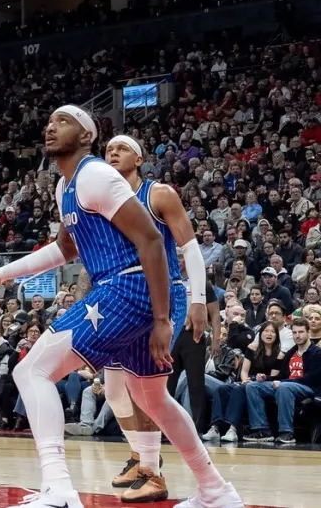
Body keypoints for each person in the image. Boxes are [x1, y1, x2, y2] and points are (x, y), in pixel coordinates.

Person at [0, 106, 242, 508]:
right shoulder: (65, 188)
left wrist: (164, 318)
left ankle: (59, 489)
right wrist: (2, 273)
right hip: (133, 289)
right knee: (151, 399)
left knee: (32, 370)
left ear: (85, 137)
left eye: (63, 122)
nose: (50, 126)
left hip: (130, 286)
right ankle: (217, 490)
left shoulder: (95, 175)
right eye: (49, 121)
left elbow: (151, 240)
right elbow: (64, 249)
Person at [97, 135, 216, 502]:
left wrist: (199, 301)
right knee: (115, 391)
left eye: (121, 148)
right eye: (108, 150)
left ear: (139, 157)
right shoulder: (102, 200)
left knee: (147, 391)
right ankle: (141, 455)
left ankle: (155, 469)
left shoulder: (158, 194)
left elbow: (191, 249)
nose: (112, 153)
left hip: (160, 296)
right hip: (120, 297)